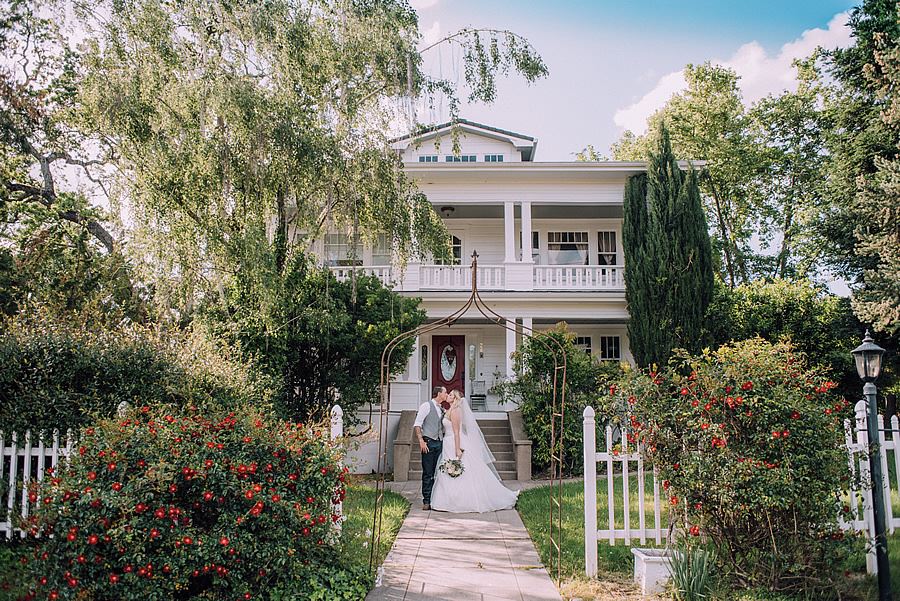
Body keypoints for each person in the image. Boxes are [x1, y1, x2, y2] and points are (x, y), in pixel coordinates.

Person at [431, 389, 518, 513]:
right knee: (448, 469)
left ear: (455, 399)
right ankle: (448, 499)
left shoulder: (455, 411)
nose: (448, 396)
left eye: (450, 395)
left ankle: (463, 499)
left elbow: (456, 432)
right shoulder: (449, 410)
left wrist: (457, 449)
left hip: (454, 443)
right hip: (447, 443)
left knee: (461, 468)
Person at [413, 386, 447, 510]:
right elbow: (417, 424)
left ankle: (436, 499)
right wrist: (421, 440)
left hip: (440, 442)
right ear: (439, 393)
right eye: (445, 392)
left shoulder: (442, 409)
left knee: (439, 472)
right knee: (428, 472)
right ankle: (426, 500)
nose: (446, 394)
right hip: (428, 442)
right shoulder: (426, 406)